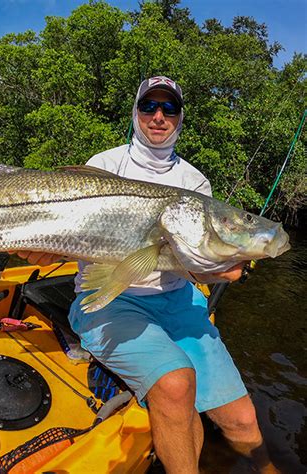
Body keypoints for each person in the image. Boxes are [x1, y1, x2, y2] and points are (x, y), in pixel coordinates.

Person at [18, 76, 276, 473]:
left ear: (180, 118)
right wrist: (41, 248)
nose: (158, 116)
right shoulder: (104, 166)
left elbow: (193, 260)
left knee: (244, 424)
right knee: (176, 384)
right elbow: (64, 239)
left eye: (169, 108)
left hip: (178, 302)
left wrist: (217, 269)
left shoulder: (194, 182)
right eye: (149, 107)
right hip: (111, 300)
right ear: (135, 113)